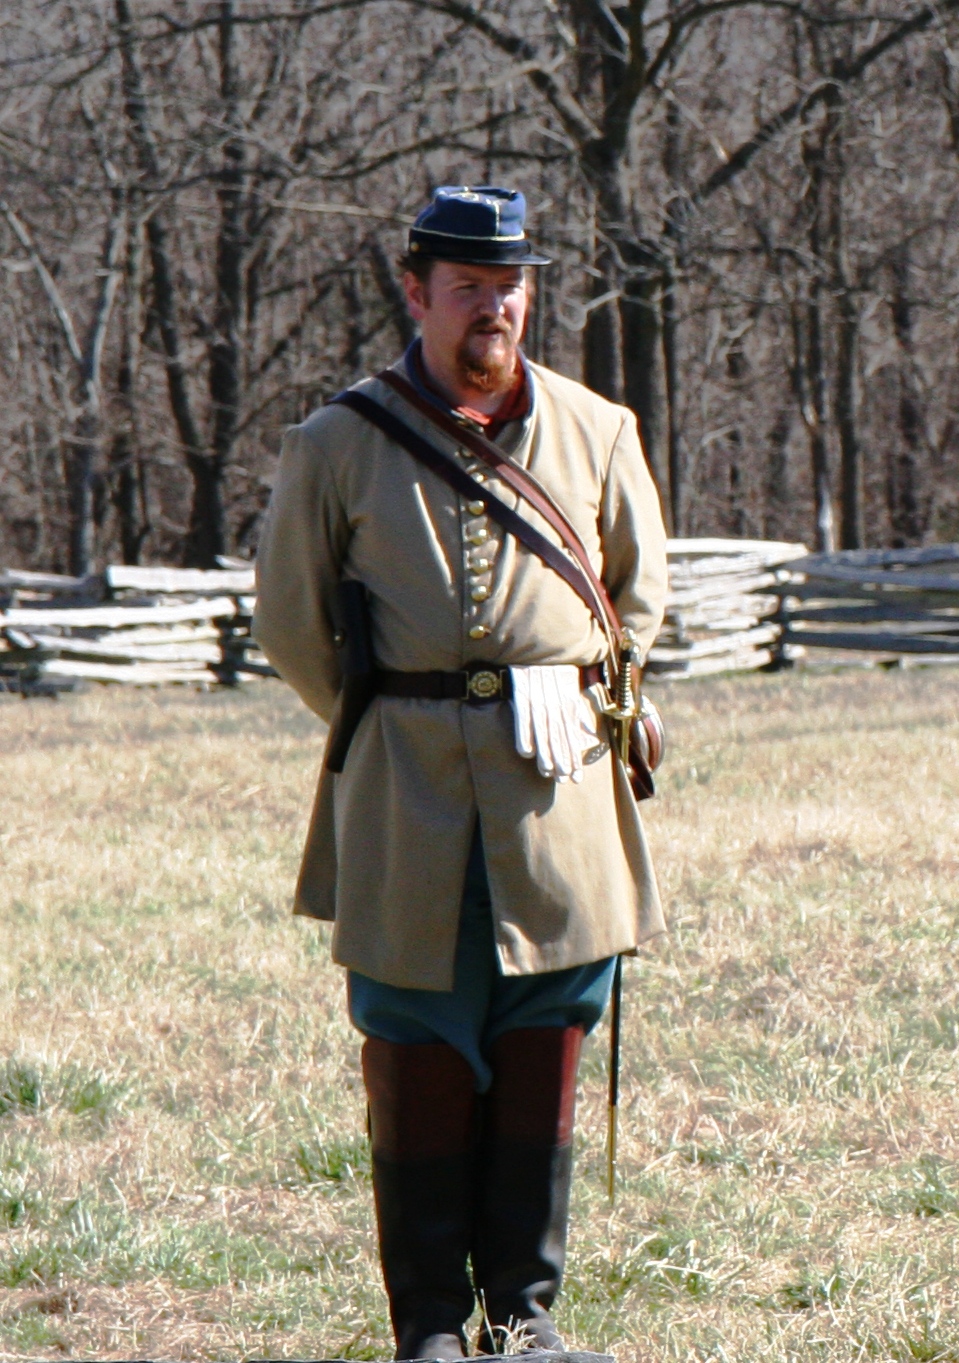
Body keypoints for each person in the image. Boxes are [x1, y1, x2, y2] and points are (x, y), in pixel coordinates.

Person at [253, 185, 668, 1361]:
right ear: (416, 291)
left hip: (554, 792)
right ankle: (430, 1326)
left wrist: (582, 696)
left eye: (509, 286)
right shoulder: (337, 442)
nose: (493, 307)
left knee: (547, 1030)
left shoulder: (597, 429)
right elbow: (290, 621)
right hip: (407, 792)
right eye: (468, 286)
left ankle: (522, 1320)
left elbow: (637, 595)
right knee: (415, 1037)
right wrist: (394, 719)